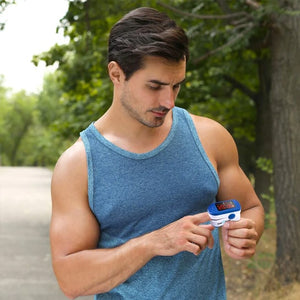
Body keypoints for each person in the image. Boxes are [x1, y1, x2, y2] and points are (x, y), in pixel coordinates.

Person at [50, 7, 264, 300]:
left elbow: (250, 208)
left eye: (176, 85)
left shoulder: (210, 137)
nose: (168, 100)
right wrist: (152, 243)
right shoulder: (79, 165)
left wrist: (246, 232)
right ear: (116, 73)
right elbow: (71, 280)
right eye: (155, 86)